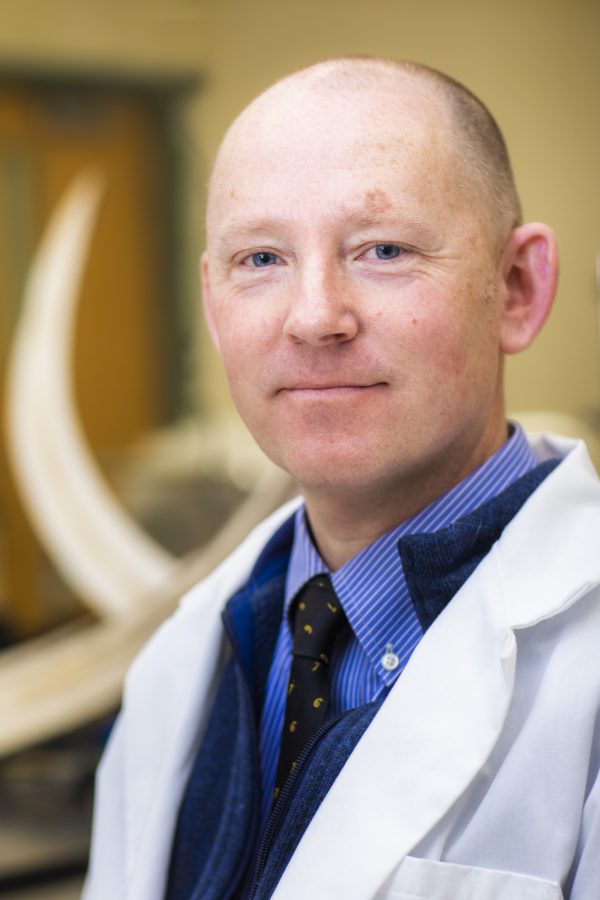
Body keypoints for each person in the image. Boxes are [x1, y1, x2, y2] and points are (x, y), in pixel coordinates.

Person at [83, 58, 600, 900]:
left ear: (517, 287)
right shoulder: (186, 658)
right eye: (261, 258)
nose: (315, 316)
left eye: (383, 250)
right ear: (213, 305)